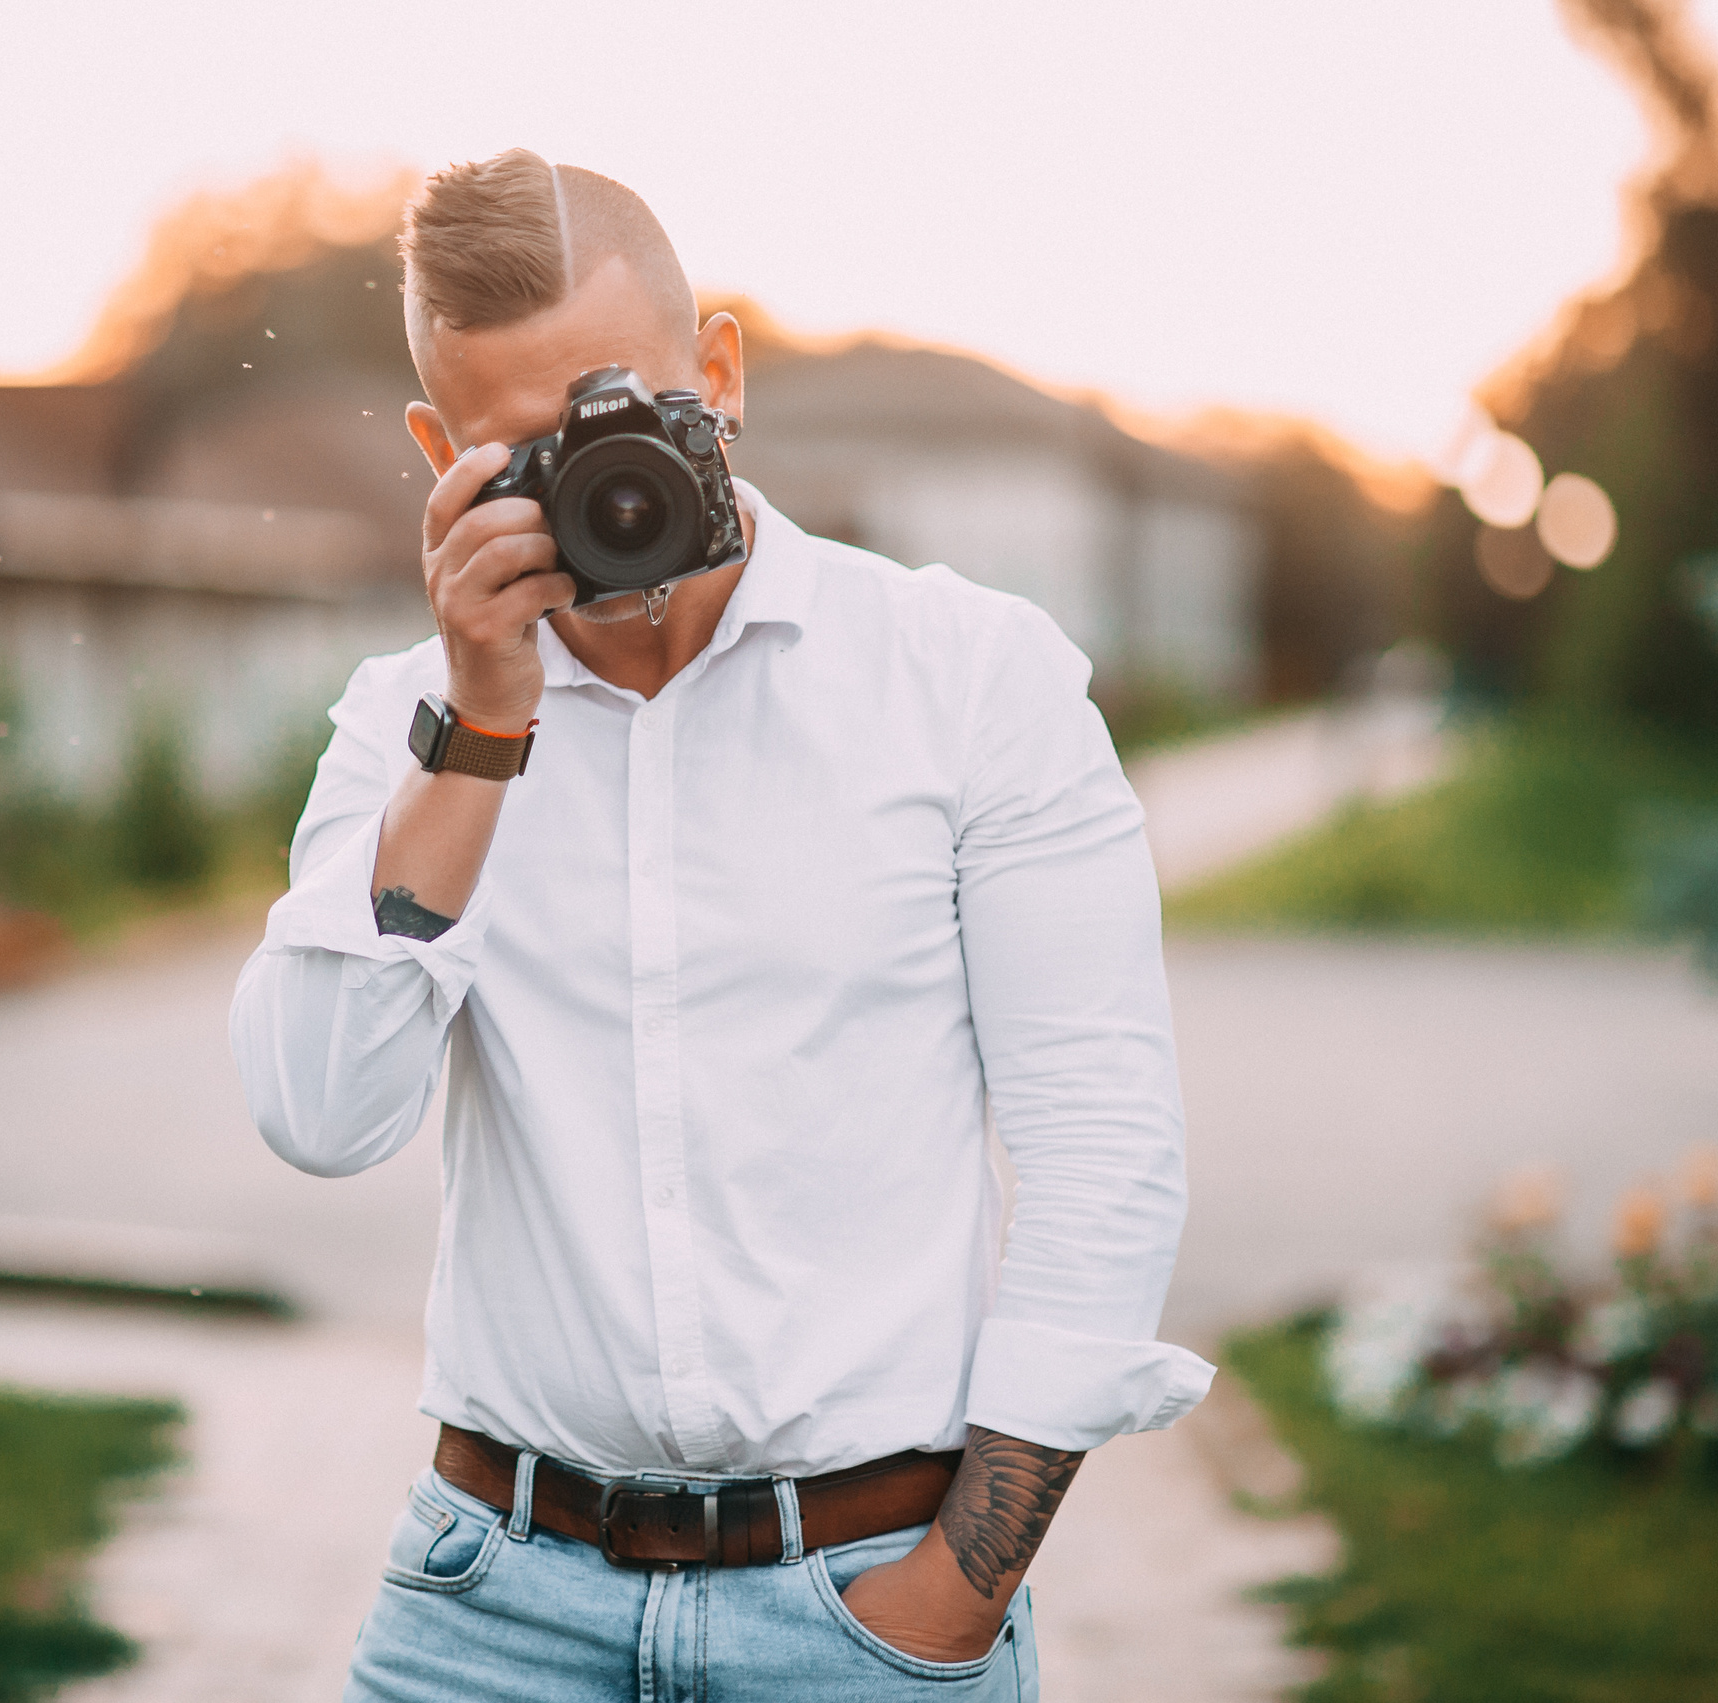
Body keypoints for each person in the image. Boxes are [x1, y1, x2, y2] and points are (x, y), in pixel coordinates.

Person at [229, 148, 1211, 1702]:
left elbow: (1102, 1146)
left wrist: (958, 1593)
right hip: (491, 1609)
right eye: (519, 452)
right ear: (438, 455)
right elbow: (320, 1115)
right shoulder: (402, 725)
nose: (596, 485)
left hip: (866, 1618)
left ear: (723, 372)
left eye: (619, 413)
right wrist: (482, 731)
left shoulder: (969, 681)